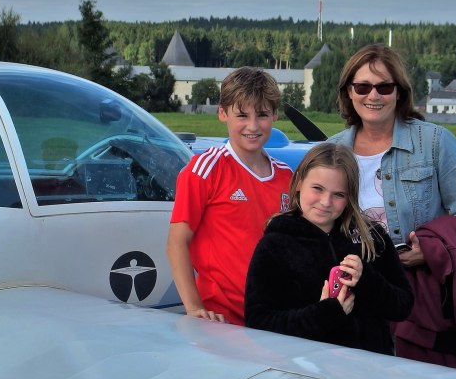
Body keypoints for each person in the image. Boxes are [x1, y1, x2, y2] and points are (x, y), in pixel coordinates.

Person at [326, 44, 456, 368]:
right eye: (362, 86)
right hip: (357, 291)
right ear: (348, 92)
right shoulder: (331, 150)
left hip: (420, 292)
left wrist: (431, 248)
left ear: (400, 92)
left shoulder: (435, 142)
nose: (373, 96)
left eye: (384, 87)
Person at [244, 143, 413, 354]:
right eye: (317, 189)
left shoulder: (372, 236)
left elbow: (403, 306)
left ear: (350, 196)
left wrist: (366, 279)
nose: (325, 202)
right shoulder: (275, 245)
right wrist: (324, 314)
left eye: (339, 194)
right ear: (298, 183)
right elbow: (258, 321)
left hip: (371, 368)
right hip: (306, 372)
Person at [166, 67, 293, 326]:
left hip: (271, 319)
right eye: (242, 115)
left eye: (263, 115)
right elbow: (176, 243)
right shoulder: (204, 170)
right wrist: (193, 308)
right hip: (221, 320)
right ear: (223, 113)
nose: (253, 126)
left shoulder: (286, 176)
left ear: (275, 115)